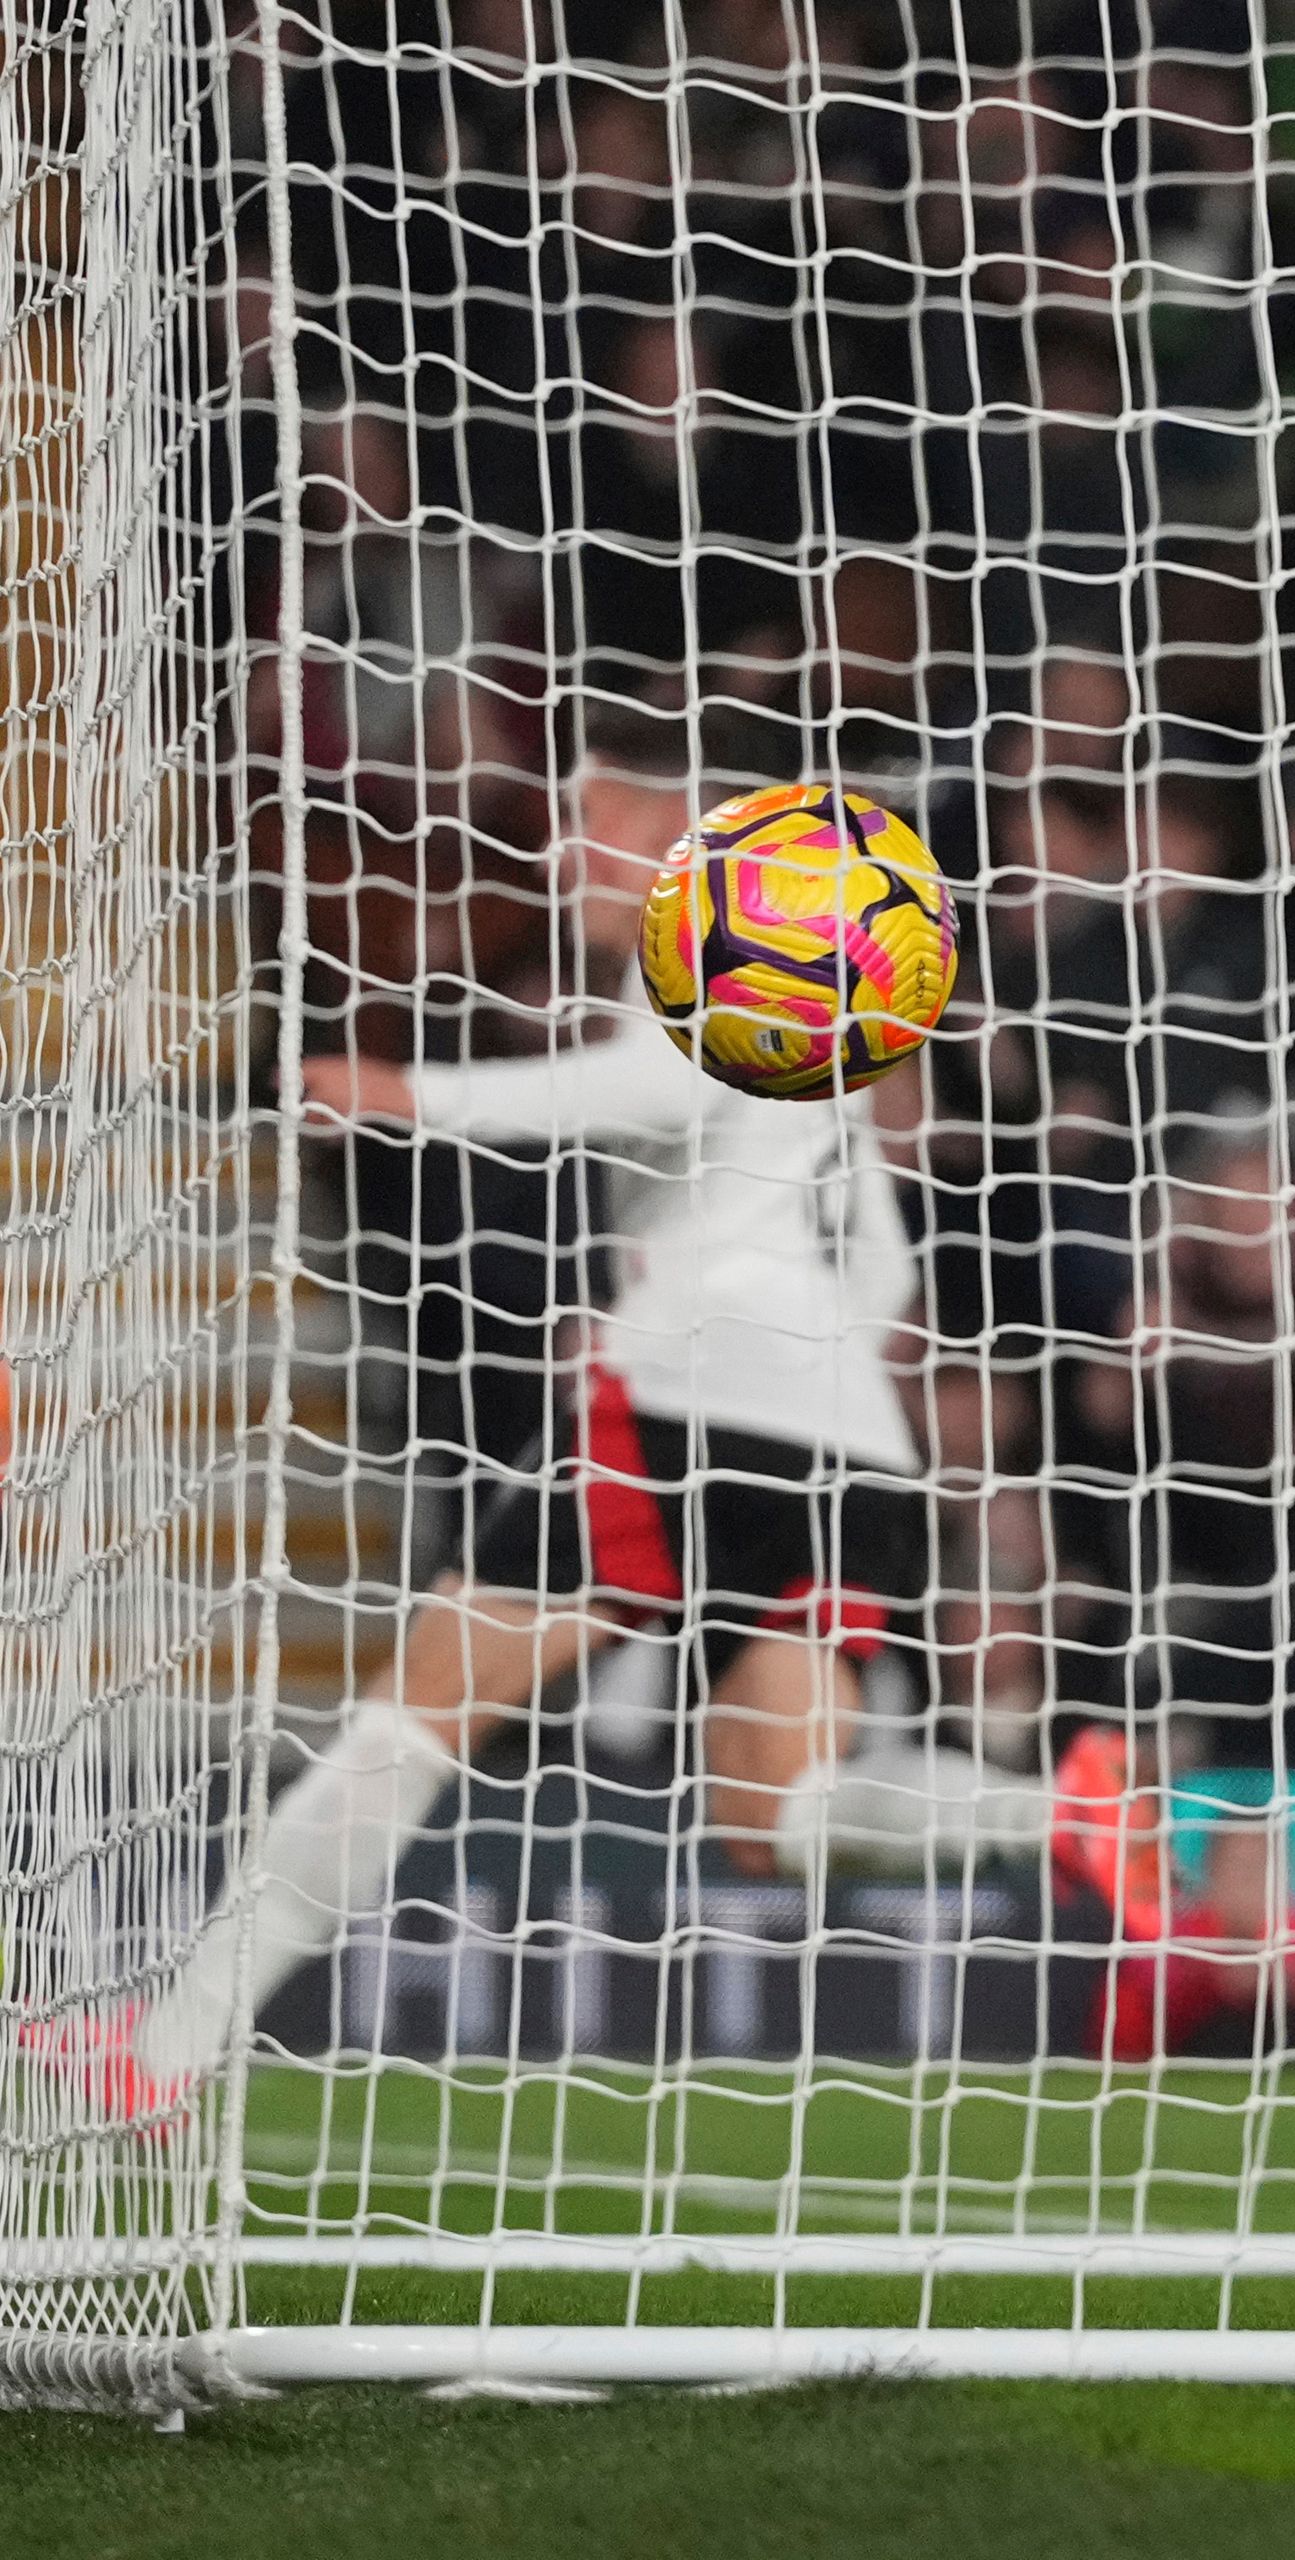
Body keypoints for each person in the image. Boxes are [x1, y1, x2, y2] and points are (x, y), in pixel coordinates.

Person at [28, 713, 1055, 2120]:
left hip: (693, 1404)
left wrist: (403, 1092)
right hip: (853, 1438)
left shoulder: (720, 942)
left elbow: (649, 1077)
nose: (565, 850)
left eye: (598, 818)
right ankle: (1062, 1812)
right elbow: (880, 1269)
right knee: (777, 1823)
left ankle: (159, 2058)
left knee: (411, 1729)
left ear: (677, 831)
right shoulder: (835, 1008)